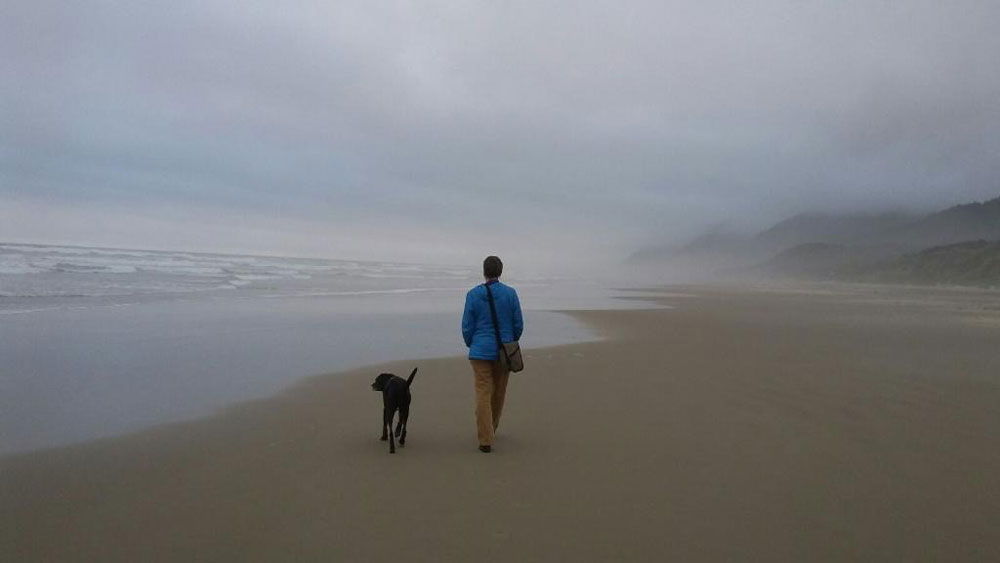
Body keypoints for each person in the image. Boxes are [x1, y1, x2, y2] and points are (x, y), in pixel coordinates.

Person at [462, 255, 523, 453]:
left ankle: (485, 438)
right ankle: (492, 428)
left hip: (480, 351)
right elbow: (518, 325)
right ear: (500, 271)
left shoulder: (472, 294)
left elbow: (467, 326)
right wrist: (510, 342)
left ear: (484, 271)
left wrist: (472, 343)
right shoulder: (511, 294)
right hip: (504, 351)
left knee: (483, 392)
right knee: (498, 392)